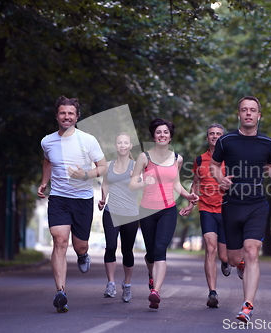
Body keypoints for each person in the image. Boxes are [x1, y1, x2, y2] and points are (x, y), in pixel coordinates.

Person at [210, 96, 271, 323]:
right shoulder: (226, 141)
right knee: (234, 259)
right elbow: (214, 166)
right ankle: (239, 262)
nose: (248, 114)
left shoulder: (268, 143)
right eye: (244, 110)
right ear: (239, 115)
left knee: (252, 251)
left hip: (256, 204)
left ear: (259, 115)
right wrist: (220, 178)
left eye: (253, 110)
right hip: (232, 204)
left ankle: (247, 306)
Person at [37, 96, 107, 313]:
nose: (66, 117)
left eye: (70, 113)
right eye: (62, 113)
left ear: (77, 117)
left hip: (83, 200)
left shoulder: (88, 140)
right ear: (56, 115)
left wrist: (86, 174)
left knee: (80, 245)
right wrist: (44, 183)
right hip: (58, 198)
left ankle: (83, 254)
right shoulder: (47, 141)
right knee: (59, 240)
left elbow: (103, 167)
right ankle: (61, 292)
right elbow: (48, 160)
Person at [129, 118, 199, 309]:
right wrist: (145, 182)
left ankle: (155, 291)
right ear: (153, 136)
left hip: (168, 209)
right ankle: (152, 275)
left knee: (160, 249)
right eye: (158, 132)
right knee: (151, 253)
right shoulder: (144, 157)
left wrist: (188, 195)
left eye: (165, 132)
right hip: (147, 210)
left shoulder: (177, 159)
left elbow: (175, 184)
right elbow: (133, 183)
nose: (162, 135)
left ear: (170, 137)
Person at [179, 123, 232, 308]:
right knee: (211, 249)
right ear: (207, 137)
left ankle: (227, 262)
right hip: (207, 209)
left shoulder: (231, 158)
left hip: (226, 210)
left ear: (223, 137)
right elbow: (195, 183)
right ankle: (212, 292)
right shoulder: (200, 160)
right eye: (212, 134)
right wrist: (191, 203)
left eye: (218, 134)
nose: (215, 136)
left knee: (225, 257)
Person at [98, 133, 140, 302]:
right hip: (111, 211)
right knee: (110, 246)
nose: (122, 145)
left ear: (130, 146)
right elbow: (106, 184)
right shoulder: (108, 165)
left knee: (127, 250)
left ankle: (127, 284)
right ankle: (111, 283)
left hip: (130, 213)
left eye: (126, 143)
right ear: (116, 146)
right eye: (119, 143)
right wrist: (103, 199)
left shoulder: (136, 165)